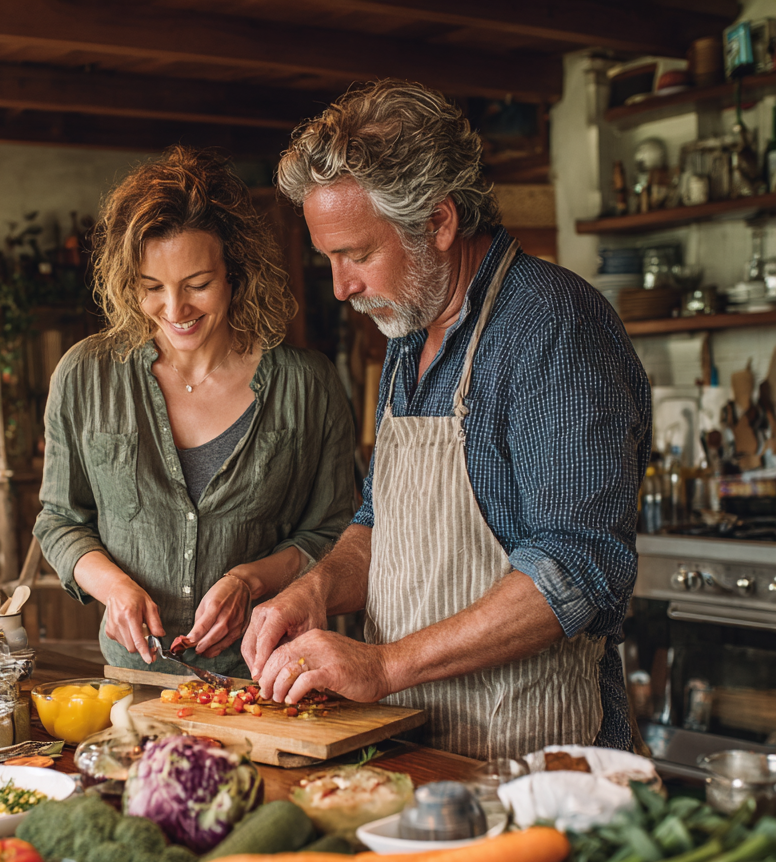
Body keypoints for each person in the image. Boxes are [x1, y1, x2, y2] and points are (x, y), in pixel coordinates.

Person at [242, 81, 652, 757]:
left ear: (437, 222)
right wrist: (313, 590)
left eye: (358, 254)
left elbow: (578, 566)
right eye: (331, 259)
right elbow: (379, 524)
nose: (342, 286)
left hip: (536, 758)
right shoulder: (409, 336)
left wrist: (383, 666)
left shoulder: (551, 327)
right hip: (414, 745)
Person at [35, 147, 355, 679]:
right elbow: (61, 520)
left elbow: (332, 532)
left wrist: (251, 581)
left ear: (236, 272)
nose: (176, 311)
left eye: (198, 285)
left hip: (265, 679)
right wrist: (114, 589)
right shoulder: (85, 376)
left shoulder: (307, 385)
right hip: (132, 682)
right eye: (151, 288)